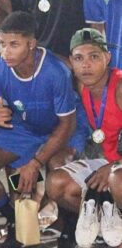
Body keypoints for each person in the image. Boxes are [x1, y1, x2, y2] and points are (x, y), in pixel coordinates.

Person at [0, 11, 79, 247]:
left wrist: (35, 163)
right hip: (24, 128)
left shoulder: (56, 71)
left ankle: (69, 225)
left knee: (57, 168)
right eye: (2, 43)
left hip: (60, 129)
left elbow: (67, 124)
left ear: (31, 44)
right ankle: (16, 220)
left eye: (14, 45)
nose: (5, 52)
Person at [46, 28, 122, 248]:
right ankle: (111, 222)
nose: (86, 65)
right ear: (72, 62)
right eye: (79, 58)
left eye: (94, 57)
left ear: (107, 58)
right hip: (108, 162)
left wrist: (113, 166)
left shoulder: (119, 87)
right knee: (56, 183)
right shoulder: (82, 85)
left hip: (116, 167)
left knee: (116, 179)